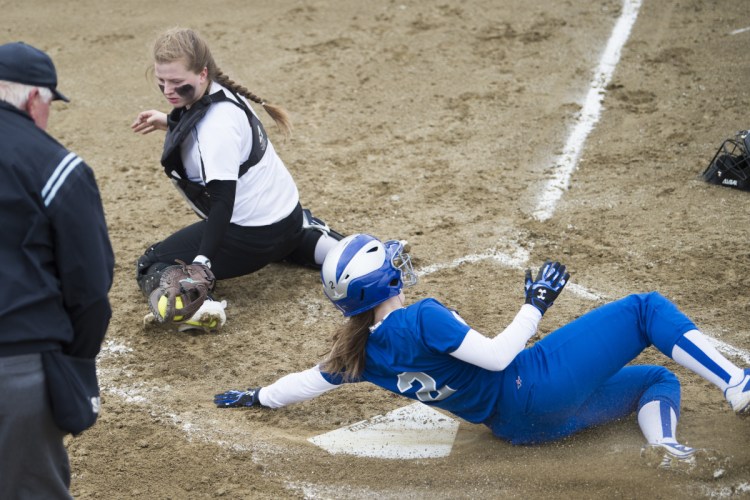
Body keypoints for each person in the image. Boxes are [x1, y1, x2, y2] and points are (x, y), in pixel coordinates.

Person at [215, 233, 750, 472]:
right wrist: (534, 307)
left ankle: (669, 448)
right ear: (383, 281)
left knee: (657, 382)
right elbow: (496, 357)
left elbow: (306, 382)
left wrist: (257, 398)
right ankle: (737, 384)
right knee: (644, 310)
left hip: (522, 429)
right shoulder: (420, 316)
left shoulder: (360, 353)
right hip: (535, 383)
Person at [131, 27, 343, 332]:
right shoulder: (222, 94)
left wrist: (202, 261)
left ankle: (201, 307)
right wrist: (168, 122)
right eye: (161, 81)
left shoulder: (216, 127)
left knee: (152, 263)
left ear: (203, 74)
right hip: (289, 218)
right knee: (286, 236)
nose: (168, 90)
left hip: (252, 238)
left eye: (178, 82)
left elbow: (222, 203)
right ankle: (335, 249)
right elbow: (209, 132)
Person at [0, 42, 114, 497]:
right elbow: (89, 290)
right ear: (33, 100)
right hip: (17, 365)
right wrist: (74, 367)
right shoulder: (58, 168)